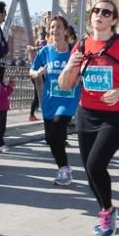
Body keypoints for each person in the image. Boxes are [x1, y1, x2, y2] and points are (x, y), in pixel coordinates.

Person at [58, 0, 119, 236]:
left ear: (114, 20)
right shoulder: (82, 45)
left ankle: (106, 211)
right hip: (87, 113)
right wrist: (69, 68)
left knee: (96, 164)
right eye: (95, 10)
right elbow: (65, 85)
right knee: (89, 170)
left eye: (106, 12)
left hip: (116, 114)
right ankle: (106, 209)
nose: (99, 15)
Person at [31, 15, 80, 185]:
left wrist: (80, 77)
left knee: (58, 126)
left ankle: (64, 170)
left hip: (67, 100)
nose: (55, 30)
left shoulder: (75, 51)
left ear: (65, 30)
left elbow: (85, 70)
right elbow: (32, 70)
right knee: (51, 138)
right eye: (52, 27)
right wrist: (37, 74)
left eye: (59, 27)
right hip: (49, 101)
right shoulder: (45, 51)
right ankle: (63, 167)